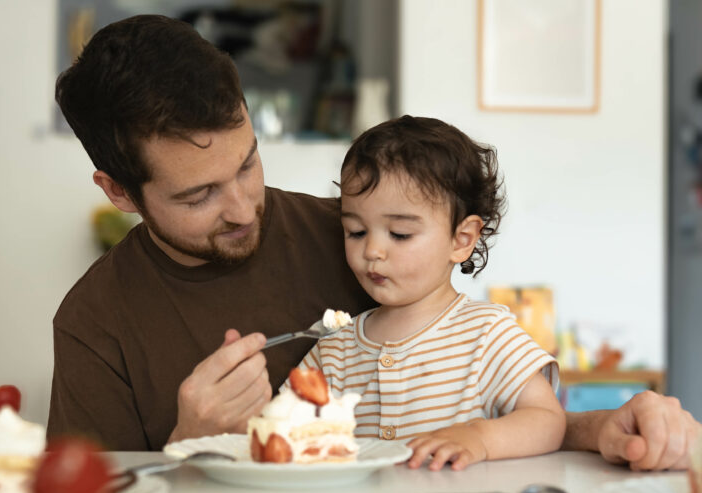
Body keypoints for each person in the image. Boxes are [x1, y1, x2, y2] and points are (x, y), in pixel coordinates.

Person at [47, 14, 700, 470]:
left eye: (247, 163)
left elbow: (477, 390)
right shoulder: (94, 321)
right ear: (120, 192)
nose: (245, 206)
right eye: (198, 196)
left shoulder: (357, 232)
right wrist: (188, 440)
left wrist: (601, 427)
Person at [293, 116, 565, 470]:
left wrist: (480, 438)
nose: (373, 250)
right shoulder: (334, 348)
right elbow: (286, 430)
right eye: (356, 231)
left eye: (400, 234)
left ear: (461, 239)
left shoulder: (487, 333)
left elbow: (548, 420)